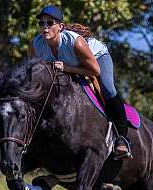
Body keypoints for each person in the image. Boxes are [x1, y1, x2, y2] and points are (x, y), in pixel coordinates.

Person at [28, 5, 132, 159]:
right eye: (41, 23)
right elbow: (34, 73)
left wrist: (67, 68)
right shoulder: (35, 45)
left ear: (60, 27)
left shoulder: (76, 42)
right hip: (71, 64)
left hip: (96, 59)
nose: (45, 27)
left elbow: (95, 71)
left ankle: (123, 138)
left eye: (50, 23)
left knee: (108, 88)